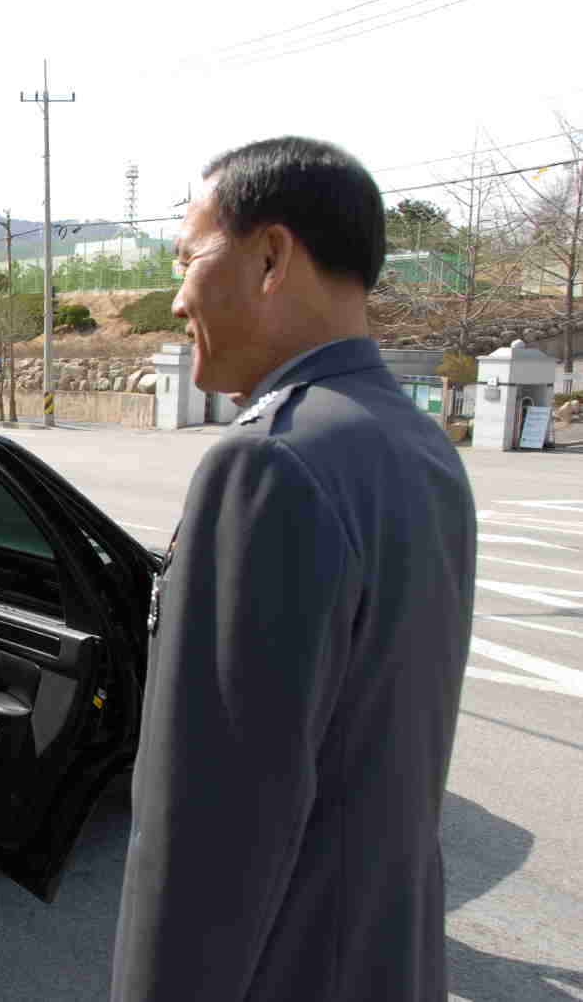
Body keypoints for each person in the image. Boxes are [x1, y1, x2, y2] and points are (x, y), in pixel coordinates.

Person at [110, 137, 476, 1002]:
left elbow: (210, 832)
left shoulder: (269, 462)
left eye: (187, 259)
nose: (177, 297)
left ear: (271, 257)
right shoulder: (417, 443)